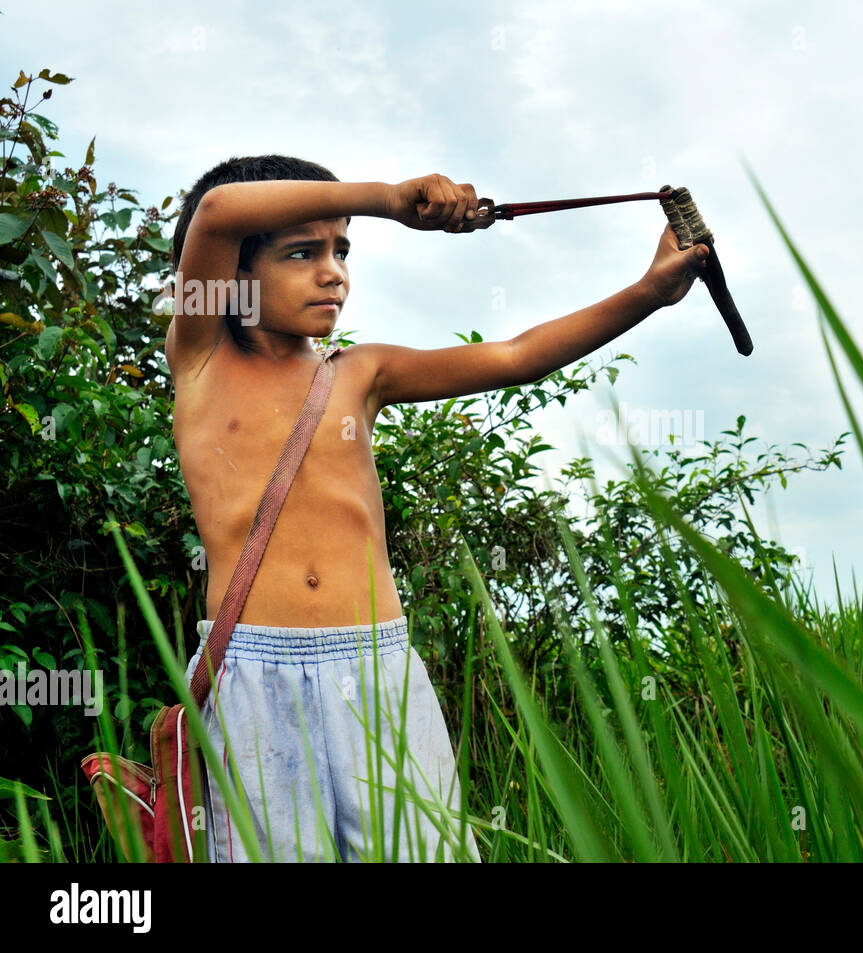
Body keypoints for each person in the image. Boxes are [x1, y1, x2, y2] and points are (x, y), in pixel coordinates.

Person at [165, 155, 711, 862]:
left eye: (342, 250)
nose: (333, 271)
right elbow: (216, 212)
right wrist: (389, 199)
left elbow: (515, 356)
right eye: (303, 252)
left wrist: (647, 293)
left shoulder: (359, 375)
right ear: (231, 276)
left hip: (378, 665)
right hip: (255, 675)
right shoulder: (202, 360)